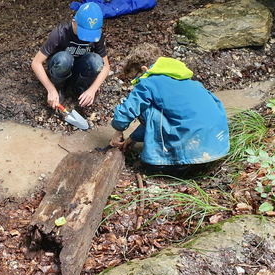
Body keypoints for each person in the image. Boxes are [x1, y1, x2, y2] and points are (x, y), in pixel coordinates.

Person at [109, 43, 230, 177]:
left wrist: (118, 130)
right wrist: (134, 137)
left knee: (145, 107)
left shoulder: (148, 82)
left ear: (144, 69)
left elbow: (129, 109)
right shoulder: (181, 77)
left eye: (136, 77)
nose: (135, 82)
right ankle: (196, 162)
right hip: (216, 144)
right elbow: (172, 114)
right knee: (159, 107)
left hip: (192, 150)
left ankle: (164, 161)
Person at [31, 2, 110, 109]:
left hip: (79, 68)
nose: (87, 37)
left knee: (96, 61)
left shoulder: (98, 36)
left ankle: (80, 88)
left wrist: (92, 90)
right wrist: (50, 89)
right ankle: (59, 88)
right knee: (65, 58)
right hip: (60, 66)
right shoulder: (60, 32)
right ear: (74, 23)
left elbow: (105, 66)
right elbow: (36, 63)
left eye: (90, 34)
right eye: (84, 33)